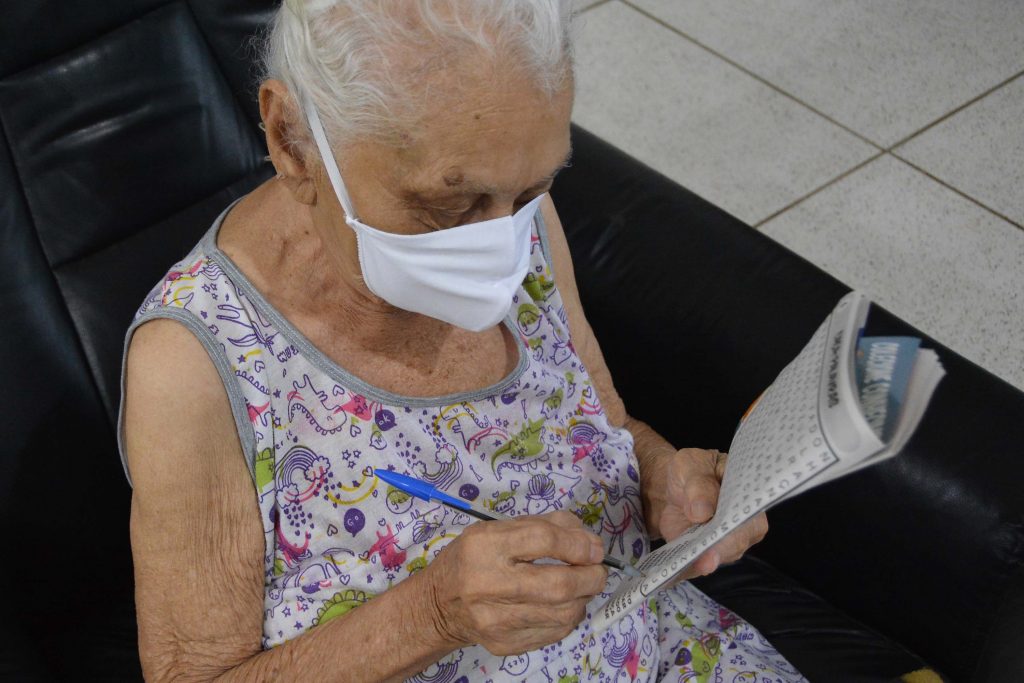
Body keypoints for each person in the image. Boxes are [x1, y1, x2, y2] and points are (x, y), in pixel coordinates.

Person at [119, 1, 805, 680]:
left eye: (532, 190)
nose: (500, 246)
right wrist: (432, 614)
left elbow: (607, 424)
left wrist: (661, 482)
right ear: (293, 141)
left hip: (663, 652)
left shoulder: (513, 210)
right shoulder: (195, 363)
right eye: (449, 206)